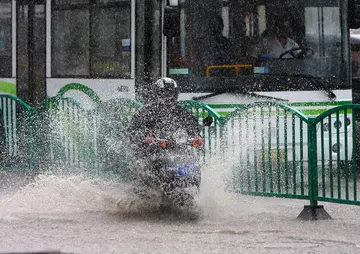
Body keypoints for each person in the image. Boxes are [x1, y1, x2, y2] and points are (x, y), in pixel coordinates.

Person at [128, 78, 204, 148]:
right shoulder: (145, 111)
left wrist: (197, 136)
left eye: (171, 93)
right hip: (150, 152)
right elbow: (133, 129)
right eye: (164, 93)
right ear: (157, 94)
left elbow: (192, 124)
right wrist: (144, 138)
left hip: (176, 150)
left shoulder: (180, 110)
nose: (168, 97)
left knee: (191, 159)